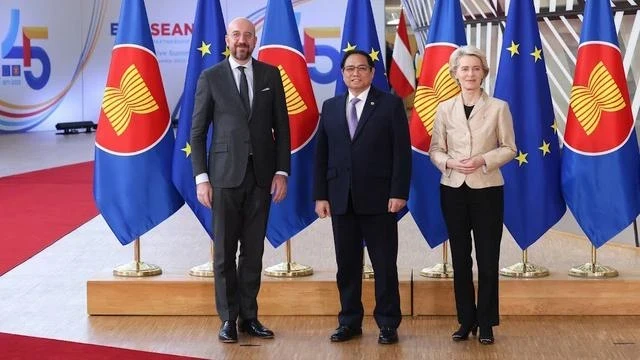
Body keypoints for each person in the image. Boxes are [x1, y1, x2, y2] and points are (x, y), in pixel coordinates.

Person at [190, 17, 290, 344]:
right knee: (223, 254)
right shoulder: (211, 77)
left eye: (248, 35)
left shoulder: (271, 75)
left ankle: (250, 317)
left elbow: (283, 129)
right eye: (236, 35)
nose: (242, 40)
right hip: (222, 178)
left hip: (262, 178)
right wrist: (201, 178)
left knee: (253, 253)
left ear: (255, 39)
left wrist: (281, 171)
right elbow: (198, 131)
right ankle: (227, 319)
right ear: (227, 39)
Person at [314, 49, 411, 345]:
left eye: (361, 68)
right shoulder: (330, 106)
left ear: (371, 72)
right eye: (349, 69)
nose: (355, 73)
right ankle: (349, 321)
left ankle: (387, 323)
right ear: (342, 74)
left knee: (384, 264)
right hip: (341, 198)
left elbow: (401, 154)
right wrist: (321, 195)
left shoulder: (390, 105)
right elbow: (322, 155)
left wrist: (398, 192)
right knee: (347, 264)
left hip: (380, 198)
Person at [429, 45, 516, 345]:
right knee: (461, 258)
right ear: (455, 74)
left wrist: (482, 160)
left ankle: (487, 321)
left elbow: (509, 148)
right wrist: (449, 162)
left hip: (487, 189)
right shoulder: (444, 108)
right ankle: (466, 319)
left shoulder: (498, 107)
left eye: (475, 68)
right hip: (452, 188)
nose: (470, 73)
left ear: (484, 73)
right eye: (464, 69)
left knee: (488, 257)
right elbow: (435, 149)